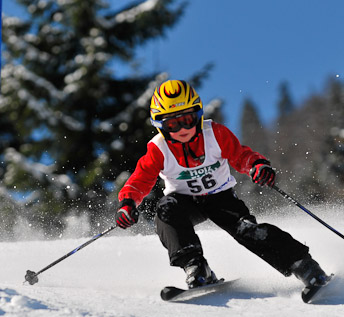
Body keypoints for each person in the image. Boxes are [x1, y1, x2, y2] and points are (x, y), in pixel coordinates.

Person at [115, 79, 330, 290]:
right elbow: (140, 179)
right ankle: (196, 268)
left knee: (247, 231)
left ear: (198, 115)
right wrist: (127, 203)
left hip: (221, 198)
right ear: (160, 125)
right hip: (183, 202)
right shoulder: (158, 148)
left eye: (187, 119)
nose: (181, 128)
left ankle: (305, 267)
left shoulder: (214, 134)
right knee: (165, 211)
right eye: (172, 123)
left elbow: (240, 155)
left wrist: (257, 165)